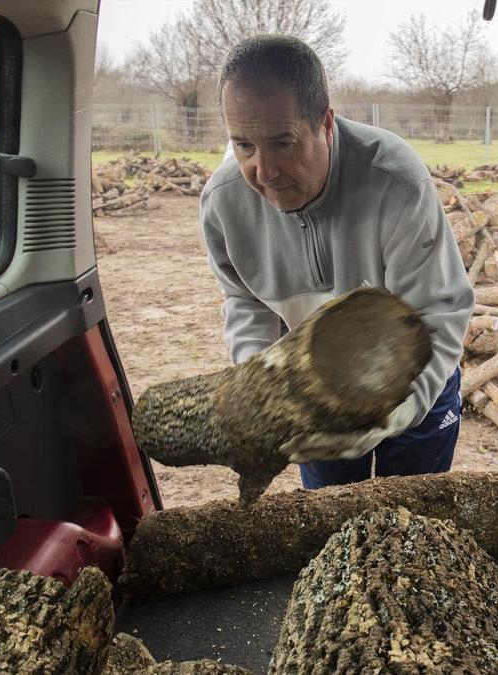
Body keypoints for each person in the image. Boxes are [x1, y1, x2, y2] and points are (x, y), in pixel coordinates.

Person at [200, 35, 474, 490]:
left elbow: (437, 317)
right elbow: (245, 301)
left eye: (282, 142)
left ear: (326, 122)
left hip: (416, 374)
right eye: (243, 145)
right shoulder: (223, 202)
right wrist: (259, 386)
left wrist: (388, 415)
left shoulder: (395, 181)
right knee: (329, 517)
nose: (263, 172)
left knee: (410, 517)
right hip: (314, 384)